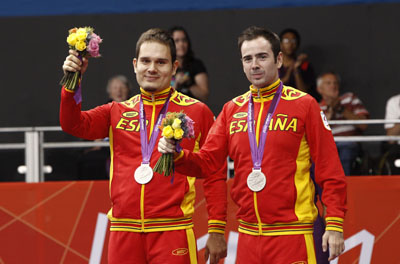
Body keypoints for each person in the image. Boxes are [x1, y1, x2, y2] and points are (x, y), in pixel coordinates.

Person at [159, 26, 347, 263]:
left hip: (292, 235)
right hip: (248, 238)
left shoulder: (305, 105)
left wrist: (335, 223)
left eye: (262, 57)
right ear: (242, 63)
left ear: (278, 60)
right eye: (248, 58)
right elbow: (207, 163)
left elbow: (329, 169)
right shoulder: (231, 110)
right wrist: (176, 154)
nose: (254, 64)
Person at [60, 28, 227, 264]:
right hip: (123, 232)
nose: (152, 68)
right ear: (135, 65)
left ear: (174, 67)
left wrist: (217, 229)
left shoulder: (197, 112)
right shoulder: (116, 111)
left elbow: (215, 171)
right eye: (146, 61)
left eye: (161, 62)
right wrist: (72, 82)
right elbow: (72, 125)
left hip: (172, 231)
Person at [317, 72, 369, 175]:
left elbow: (364, 125)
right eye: (328, 83)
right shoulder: (315, 106)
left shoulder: (349, 98)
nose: (333, 86)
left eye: (335, 83)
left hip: (348, 143)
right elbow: (315, 135)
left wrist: (341, 109)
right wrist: (330, 113)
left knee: (346, 149)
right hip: (326, 146)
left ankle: (345, 188)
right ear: (320, 89)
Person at [170, 26, 209, 102]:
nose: (181, 44)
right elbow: (162, 97)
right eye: (177, 41)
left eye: (184, 40)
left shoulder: (196, 64)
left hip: (192, 109)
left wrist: (189, 83)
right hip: (171, 110)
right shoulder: (165, 65)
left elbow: (204, 95)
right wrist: (176, 83)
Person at [279, 28, 318, 100]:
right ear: (280, 44)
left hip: (299, 104)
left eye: (293, 40)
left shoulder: (304, 65)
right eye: (286, 40)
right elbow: (272, 89)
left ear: (298, 44)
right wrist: (289, 72)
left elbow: (304, 93)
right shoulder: (273, 65)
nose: (290, 44)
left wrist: (296, 70)